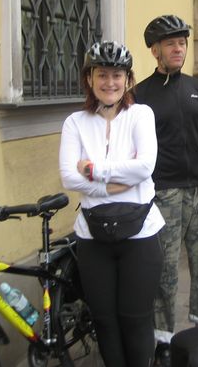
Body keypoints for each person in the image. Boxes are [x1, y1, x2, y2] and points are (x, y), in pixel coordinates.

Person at [135, 15, 198, 366]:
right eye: (171, 43)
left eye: (182, 43)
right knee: (164, 271)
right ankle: (163, 339)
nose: (179, 49)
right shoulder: (139, 96)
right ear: (155, 49)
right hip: (163, 194)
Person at [59, 40, 164, 367]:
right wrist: (118, 183)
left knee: (135, 320)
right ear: (89, 79)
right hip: (93, 238)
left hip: (140, 236)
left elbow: (145, 166)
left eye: (117, 75)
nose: (110, 83)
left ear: (128, 79)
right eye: (102, 74)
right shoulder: (74, 123)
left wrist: (94, 172)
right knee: (104, 321)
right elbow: (68, 178)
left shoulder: (141, 115)